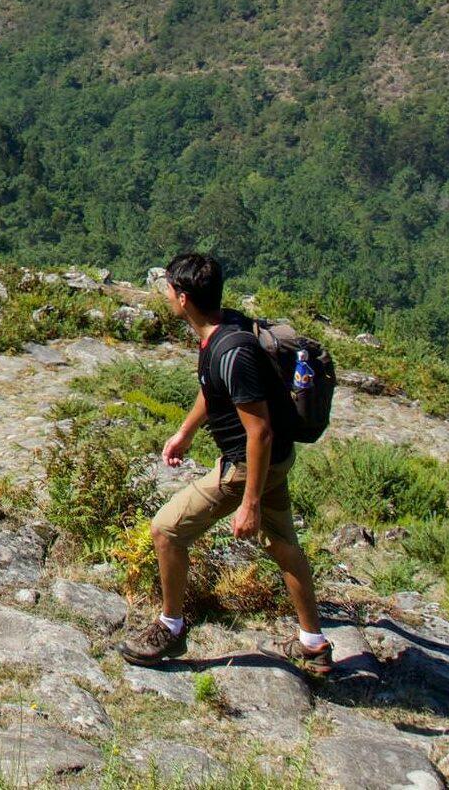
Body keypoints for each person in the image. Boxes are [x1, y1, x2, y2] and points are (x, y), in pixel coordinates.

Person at [117, 251, 333, 674]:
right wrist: (186, 431)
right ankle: (314, 644)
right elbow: (214, 391)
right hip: (275, 461)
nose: (165, 295)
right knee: (284, 545)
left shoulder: (233, 352)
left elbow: (260, 432)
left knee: (166, 530)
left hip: (247, 466)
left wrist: (249, 501)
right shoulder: (223, 330)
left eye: (168, 289)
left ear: (182, 298)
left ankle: (171, 627)